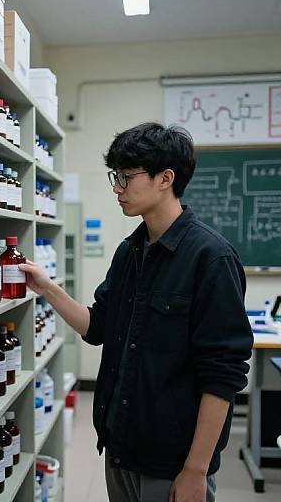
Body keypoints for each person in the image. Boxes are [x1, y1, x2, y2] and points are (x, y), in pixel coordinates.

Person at [19, 123, 253, 502]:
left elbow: (223, 374)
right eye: (116, 176)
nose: (117, 187)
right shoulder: (130, 252)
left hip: (172, 461)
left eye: (126, 177)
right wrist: (47, 288)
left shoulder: (211, 258)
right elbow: (98, 327)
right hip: (120, 445)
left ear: (165, 178)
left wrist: (195, 470)